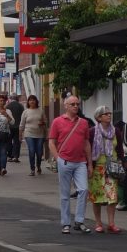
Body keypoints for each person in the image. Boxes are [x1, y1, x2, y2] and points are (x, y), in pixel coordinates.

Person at [49, 96, 92, 234]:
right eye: (72, 104)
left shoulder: (84, 123)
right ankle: (66, 223)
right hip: (65, 161)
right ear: (65, 106)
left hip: (80, 162)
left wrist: (90, 163)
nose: (75, 106)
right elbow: (51, 142)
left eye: (77, 104)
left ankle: (79, 221)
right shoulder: (57, 122)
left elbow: (86, 143)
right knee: (65, 193)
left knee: (84, 190)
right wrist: (58, 158)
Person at [89, 105, 124, 233]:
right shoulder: (92, 131)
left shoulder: (116, 131)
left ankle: (111, 223)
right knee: (96, 196)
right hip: (97, 166)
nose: (109, 115)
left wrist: (122, 163)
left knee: (112, 196)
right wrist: (89, 166)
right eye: (106, 114)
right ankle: (98, 223)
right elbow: (88, 148)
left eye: (110, 113)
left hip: (112, 167)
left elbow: (119, 149)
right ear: (98, 117)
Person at [20, 95, 47, 176]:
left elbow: (45, 121)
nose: (32, 101)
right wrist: (20, 134)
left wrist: (43, 123)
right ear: (28, 102)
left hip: (40, 134)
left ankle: (38, 166)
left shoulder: (40, 111)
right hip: (29, 133)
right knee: (31, 151)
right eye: (30, 100)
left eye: (33, 100)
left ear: (36, 101)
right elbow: (22, 124)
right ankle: (32, 169)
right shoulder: (25, 112)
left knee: (39, 152)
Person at [6, 93, 25, 163]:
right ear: (17, 98)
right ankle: (16, 156)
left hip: (10, 126)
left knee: (9, 141)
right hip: (18, 126)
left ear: (11, 98)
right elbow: (23, 116)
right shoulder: (21, 106)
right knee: (17, 142)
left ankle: (10, 155)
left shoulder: (8, 106)